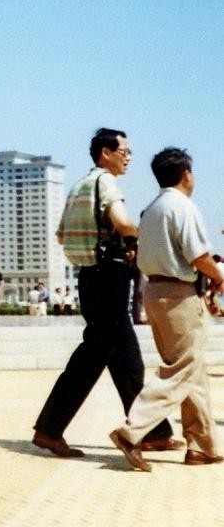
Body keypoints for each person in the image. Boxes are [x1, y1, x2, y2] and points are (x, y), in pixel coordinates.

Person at [32, 128, 174, 459]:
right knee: (126, 358)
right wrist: (136, 240)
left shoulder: (78, 186)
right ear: (105, 153)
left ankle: (50, 430)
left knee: (96, 358)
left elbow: (61, 235)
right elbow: (122, 222)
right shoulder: (105, 182)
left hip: (88, 276)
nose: (129, 157)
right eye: (124, 151)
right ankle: (150, 433)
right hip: (110, 276)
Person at [110, 148, 224, 471]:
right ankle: (131, 432)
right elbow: (198, 255)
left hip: (155, 291)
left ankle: (202, 446)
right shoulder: (182, 206)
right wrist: (219, 276)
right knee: (182, 369)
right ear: (186, 174)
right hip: (178, 295)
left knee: (191, 370)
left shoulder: (151, 209)